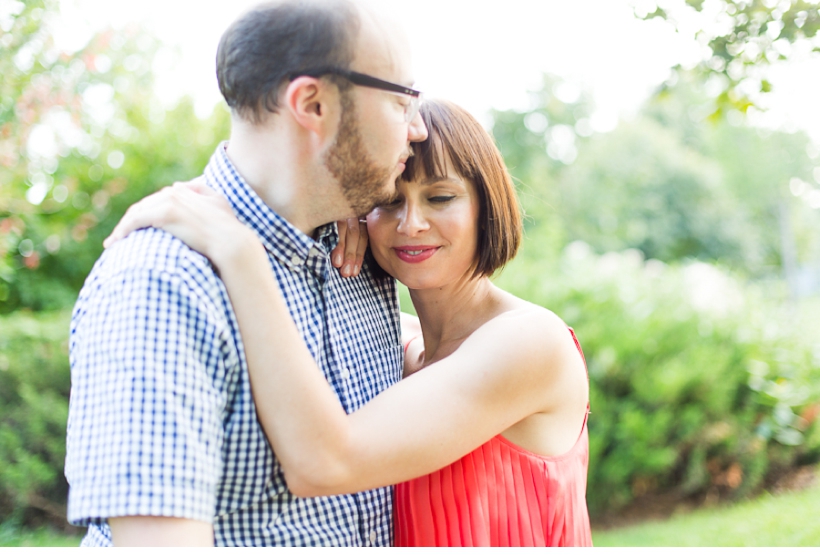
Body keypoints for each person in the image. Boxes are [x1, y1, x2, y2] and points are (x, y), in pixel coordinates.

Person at [105, 99, 593, 547]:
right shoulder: (399, 344)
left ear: (487, 204)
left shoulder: (530, 342)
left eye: (440, 198)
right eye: (389, 201)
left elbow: (325, 463)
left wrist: (239, 253)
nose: (411, 224)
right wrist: (337, 211)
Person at [64, 0, 427, 546]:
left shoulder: (360, 256)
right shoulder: (163, 285)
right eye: (403, 100)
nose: (418, 128)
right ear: (313, 104)